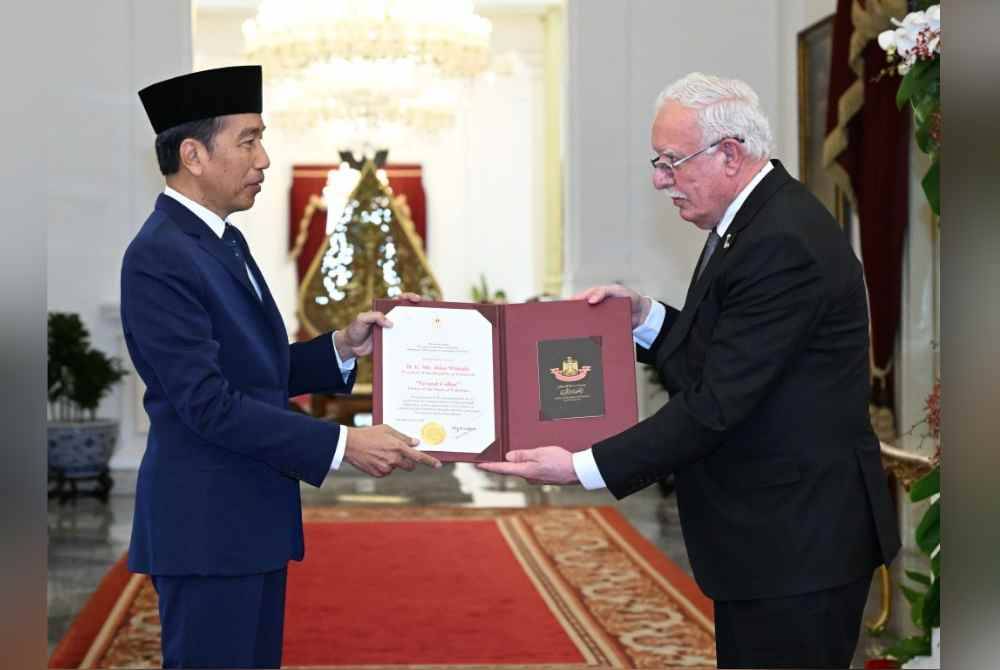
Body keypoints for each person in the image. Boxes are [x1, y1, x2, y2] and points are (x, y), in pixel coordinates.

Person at [480, 72, 901, 669]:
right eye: (658, 162)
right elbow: (725, 354)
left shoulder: (781, 241)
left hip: (797, 541)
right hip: (775, 535)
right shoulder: (752, 222)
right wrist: (644, 318)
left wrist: (581, 465)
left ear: (729, 154)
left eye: (671, 162)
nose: (660, 180)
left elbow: (716, 403)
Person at [123, 65, 441, 669]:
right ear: (193, 154)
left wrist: (344, 347)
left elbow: (255, 369)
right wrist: (345, 442)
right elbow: (209, 404)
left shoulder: (220, 240)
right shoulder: (159, 257)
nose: (264, 159)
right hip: (207, 526)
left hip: (248, 518)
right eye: (248, 140)